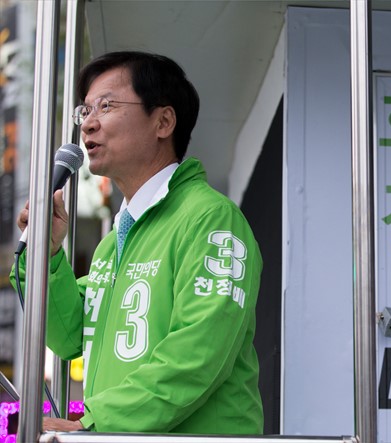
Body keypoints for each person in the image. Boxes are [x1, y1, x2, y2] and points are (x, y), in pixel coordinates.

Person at [12, 51, 263, 434]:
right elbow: (70, 334)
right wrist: (45, 256)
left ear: (163, 122)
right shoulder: (114, 242)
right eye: (85, 110)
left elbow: (198, 354)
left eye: (106, 106)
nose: (88, 124)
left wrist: (95, 425)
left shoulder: (211, 219)